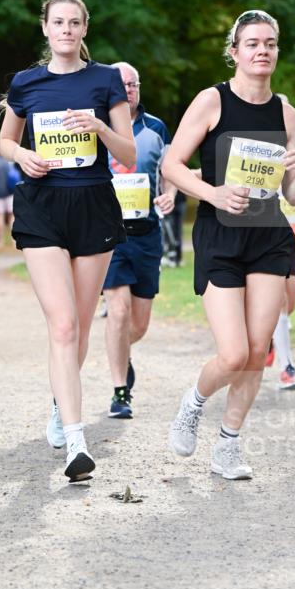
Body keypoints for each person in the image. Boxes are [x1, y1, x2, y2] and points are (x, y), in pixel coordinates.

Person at [161, 9, 295, 480]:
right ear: (235, 52)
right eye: (252, 43)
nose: (262, 50)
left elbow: (292, 195)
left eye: (270, 43)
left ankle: (228, 443)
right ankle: (194, 402)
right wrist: (214, 192)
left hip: (268, 235)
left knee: (256, 349)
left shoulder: (286, 111)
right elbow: (172, 165)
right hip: (220, 232)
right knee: (232, 353)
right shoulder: (212, 101)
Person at [0, 0, 135, 482]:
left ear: (84, 29)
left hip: (93, 204)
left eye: (75, 23)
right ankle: (77, 442)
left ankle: (60, 404)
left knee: (76, 323)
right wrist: (21, 157)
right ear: (45, 28)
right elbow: (5, 141)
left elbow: (131, 154)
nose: (67, 30)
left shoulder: (106, 80)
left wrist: (99, 125)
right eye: (59, 22)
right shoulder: (25, 83)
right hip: (42, 205)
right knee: (62, 326)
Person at [103, 61, 176, 418]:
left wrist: (171, 193)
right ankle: (120, 392)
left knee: (138, 325)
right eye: (123, 84)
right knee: (117, 312)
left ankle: (120, 351)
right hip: (108, 235)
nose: (129, 89)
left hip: (147, 233)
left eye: (134, 84)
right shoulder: (96, 125)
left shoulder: (156, 127)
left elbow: (171, 169)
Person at [272, 191, 295, 390]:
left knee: (289, 306)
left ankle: (269, 338)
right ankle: (288, 369)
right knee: (281, 302)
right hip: (272, 234)